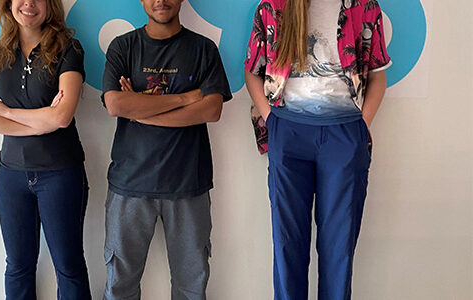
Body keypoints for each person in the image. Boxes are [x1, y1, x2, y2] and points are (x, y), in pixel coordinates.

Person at [244, 0, 391, 299]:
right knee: (288, 244)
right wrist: (273, 122)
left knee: (339, 246)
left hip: (345, 132)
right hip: (288, 129)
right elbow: (252, 71)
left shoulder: (363, 6)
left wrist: (361, 126)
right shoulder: (273, 6)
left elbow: (377, 75)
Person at [100, 0, 232, 299]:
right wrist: (185, 99)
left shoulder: (203, 49)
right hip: (129, 185)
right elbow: (116, 104)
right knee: (119, 286)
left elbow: (211, 110)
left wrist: (141, 111)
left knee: (191, 288)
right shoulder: (123, 47)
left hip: (188, 185)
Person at [0, 0, 91, 299]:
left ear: (50, 5)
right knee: (17, 266)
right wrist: (42, 122)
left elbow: (62, 116)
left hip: (60, 174)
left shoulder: (69, 48)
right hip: (11, 176)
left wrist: (9, 113)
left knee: (68, 267)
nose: (28, 3)